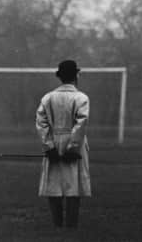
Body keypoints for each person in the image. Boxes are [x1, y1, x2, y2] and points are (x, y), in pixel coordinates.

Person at [36, 59, 91, 229]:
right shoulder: (81, 97)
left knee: (54, 184)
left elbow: (41, 123)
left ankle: (58, 225)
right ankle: (70, 226)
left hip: (54, 141)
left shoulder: (48, 97)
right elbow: (81, 123)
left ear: (60, 77)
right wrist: (73, 147)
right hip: (74, 142)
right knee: (73, 186)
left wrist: (49, 146)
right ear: (76, 76)